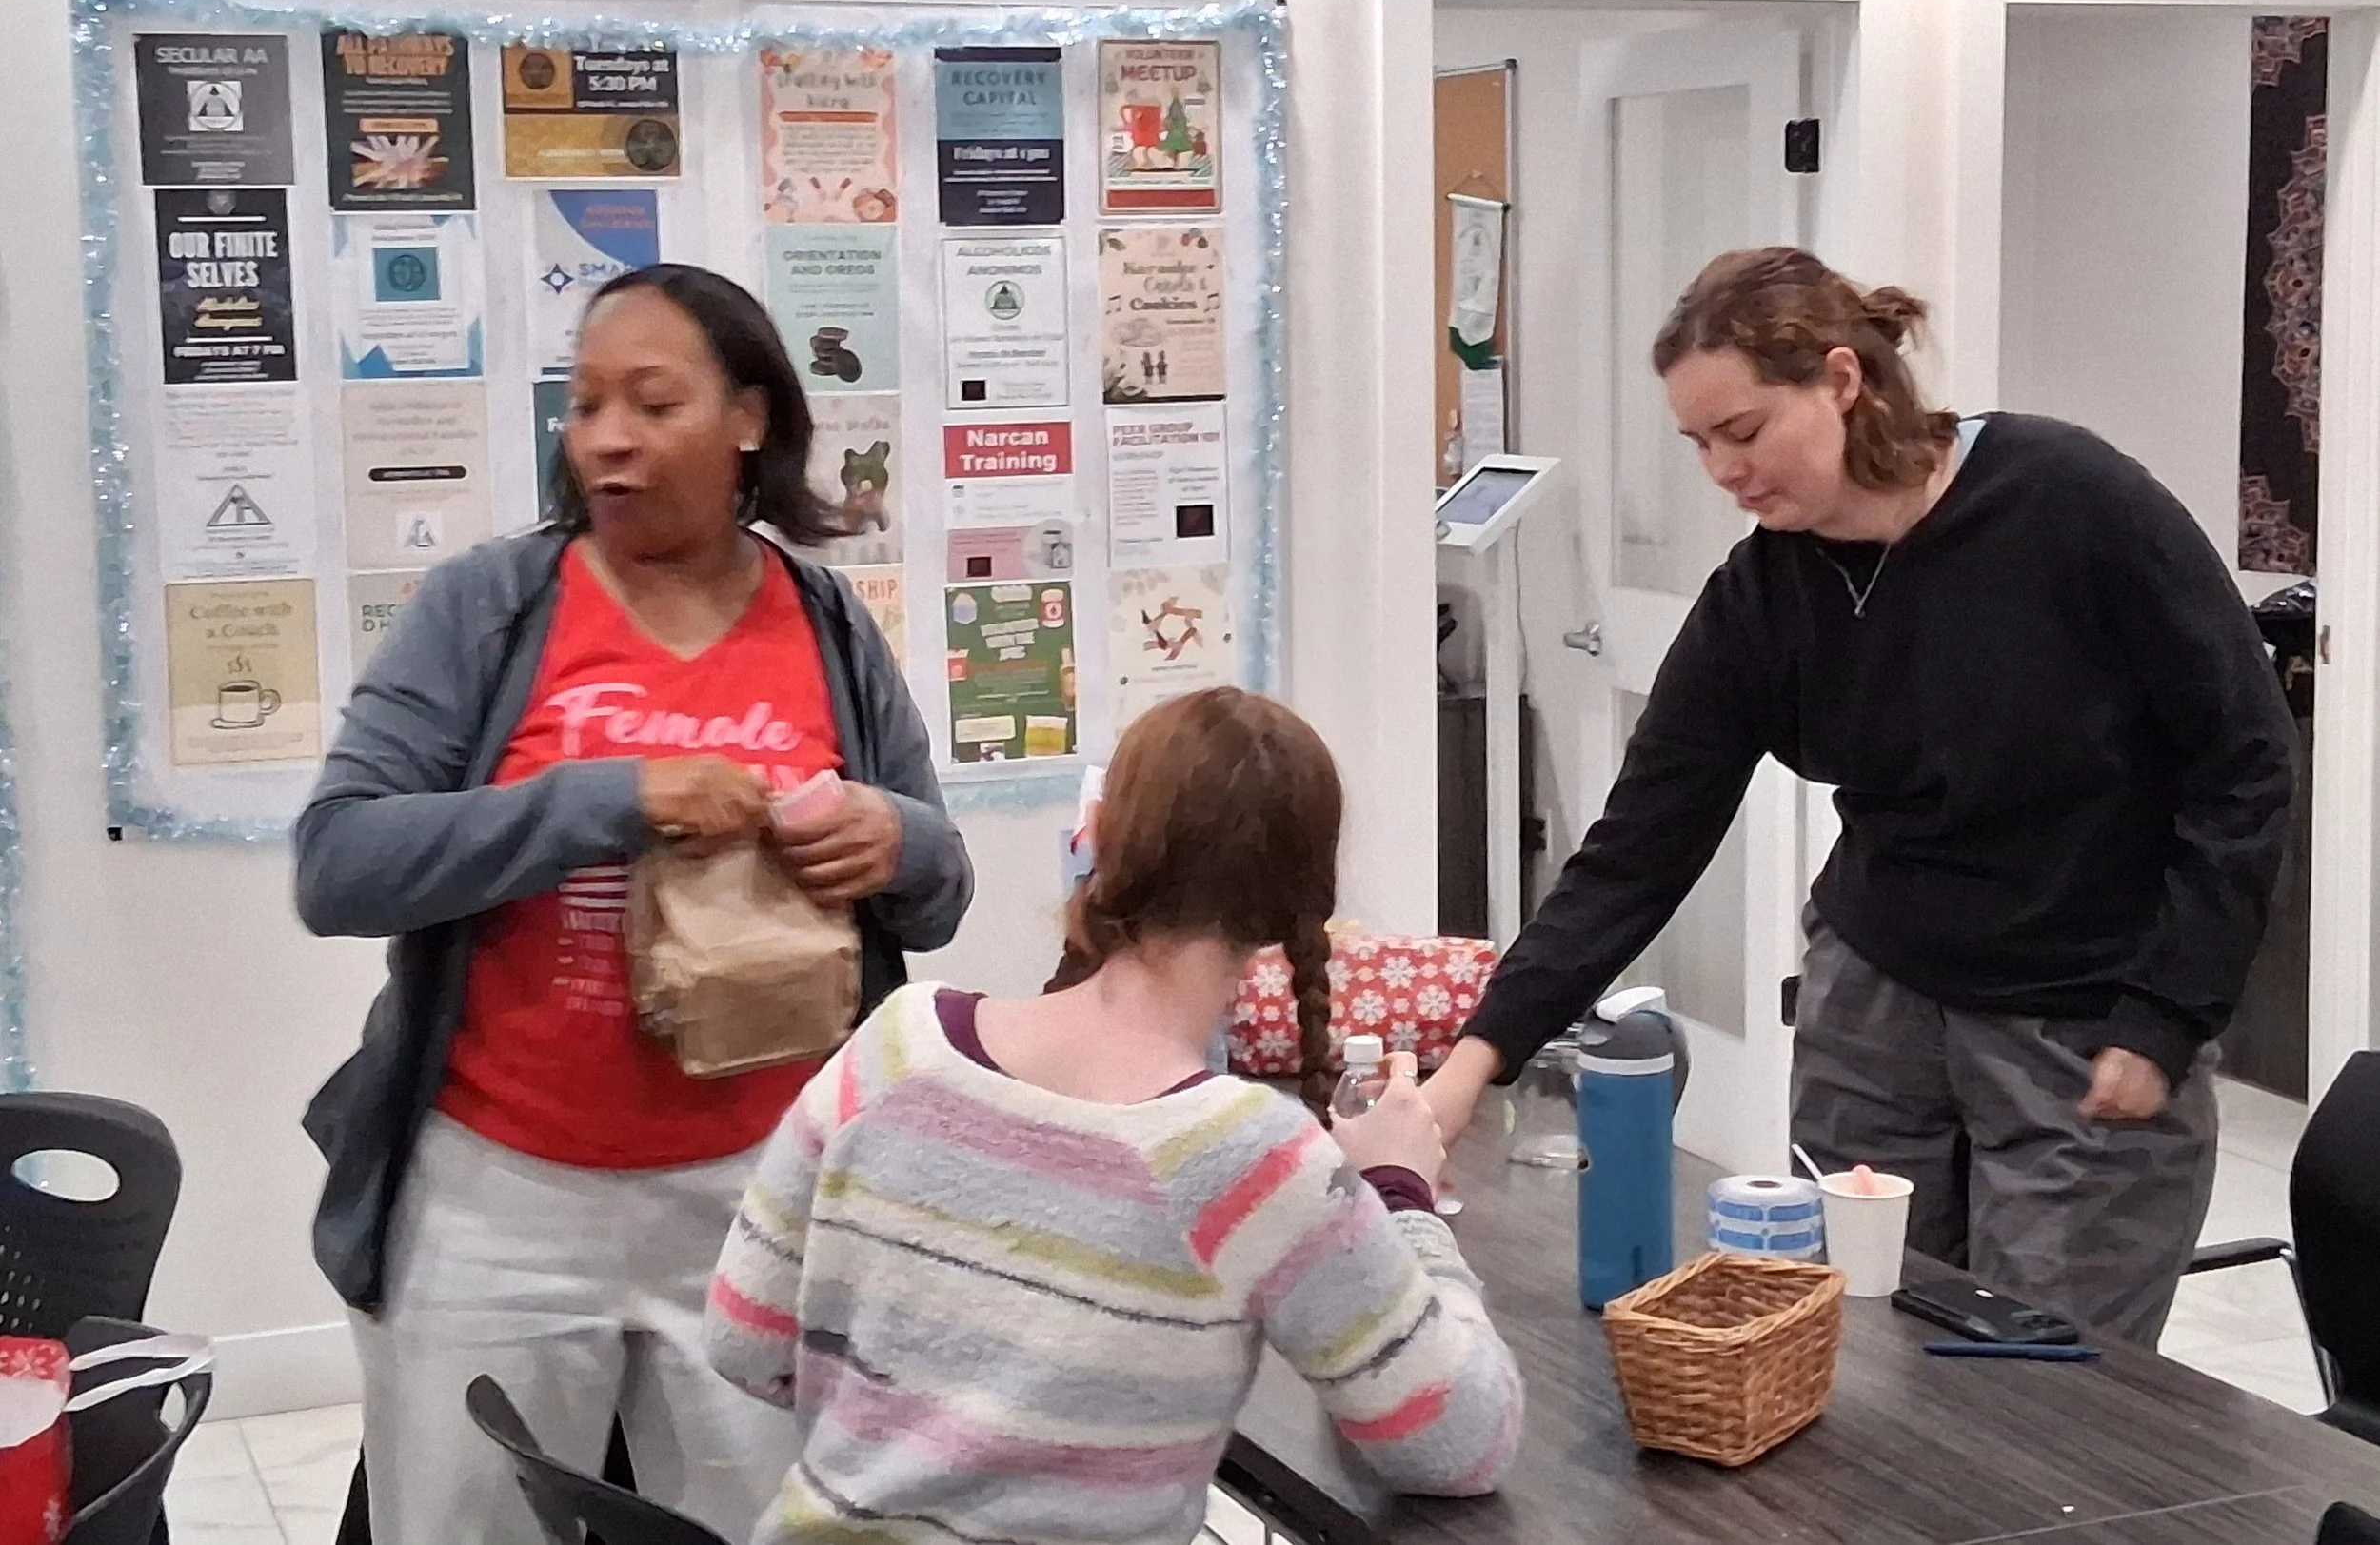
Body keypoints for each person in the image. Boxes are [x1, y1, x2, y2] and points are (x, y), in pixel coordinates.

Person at [1423, 247, 2297, 1346]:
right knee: (1864, 1347)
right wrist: (1473, 1064)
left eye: (1741, 432)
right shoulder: (1762, 594)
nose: (1723, 472)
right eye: (1698, 445)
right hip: (1876, 1003)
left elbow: (2245, 756)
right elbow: (1639, 848)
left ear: (1842, 379)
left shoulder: (2069, 500)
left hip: (2084, 1010)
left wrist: (2171, 1009)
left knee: (2047, 1382)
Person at [293, 264, 973, 1545]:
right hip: (497, 1192)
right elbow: (341, 861)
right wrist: (611, 796)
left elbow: (937, 888)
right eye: (587, 400)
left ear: (752, 419)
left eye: (653, 400)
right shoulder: (487, 610)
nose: (607, 433)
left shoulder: (827, 621)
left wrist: (895, 837)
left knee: (761, 1527)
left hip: (765, 1197)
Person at [707, 687, 1525, 1544]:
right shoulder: (1249, 1154)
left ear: (1096, 837)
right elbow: (1460, 1445)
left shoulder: (898, 1045)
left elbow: (743, 1338)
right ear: (1302, 901)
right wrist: (1401, 1193)